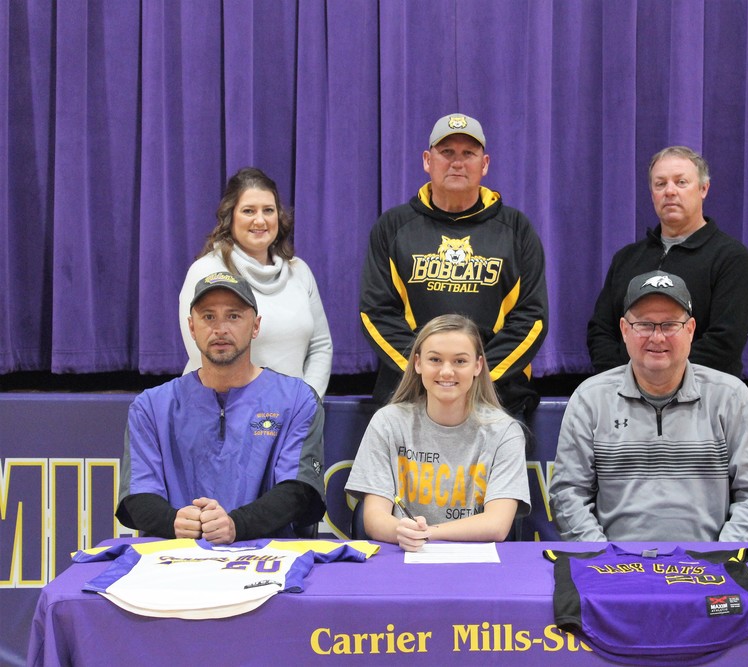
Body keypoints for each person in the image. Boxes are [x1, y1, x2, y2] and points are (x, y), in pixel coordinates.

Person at [551, 271, 748, 542]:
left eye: (670, 325)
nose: (657, 338)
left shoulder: (730, 397)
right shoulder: (590, 400)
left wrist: (719, 560)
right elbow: (567, 497)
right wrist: (606, 562)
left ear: (691, 330)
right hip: (615, 571)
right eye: (644, 325)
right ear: (624, 330)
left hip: (709, 571)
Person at [359, 113, 547, 415]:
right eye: (446, 152)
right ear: (427, 160)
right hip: (410, 394)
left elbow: (532, 319)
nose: (457, 162)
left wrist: (476, 377)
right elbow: (376, 313)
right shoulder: (393, 227)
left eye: (468, 154)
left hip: (497, 395)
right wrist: (429, 373)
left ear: (484, 164)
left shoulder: (516, 229)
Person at [118, 271, 327, 543]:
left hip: (267, 557)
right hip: (175, 561)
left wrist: (235, 525)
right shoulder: (151, 406)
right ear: (192, 328)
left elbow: (299, 490)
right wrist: (173, 521)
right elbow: (138, 494)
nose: (220, 329)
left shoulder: (298, 399)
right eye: (208, 317)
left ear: (255, 326)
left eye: (233, 316)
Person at [346, 314, 531, 551]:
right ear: (417, 363)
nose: (446, 371)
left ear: (478, 365)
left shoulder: (505, 432)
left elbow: (497, 525)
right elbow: (373, 518)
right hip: (402, 557)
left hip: (476, 565)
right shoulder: (388, 422)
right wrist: (402, 533)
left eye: (460, 361)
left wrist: (427, 534)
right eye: (435, 359)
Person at [587, 146, 748, 377]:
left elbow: (723, 343)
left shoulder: (733, 260)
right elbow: (601, 332)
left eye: (681, 182)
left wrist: (659, 381)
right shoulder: (626, 259)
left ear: (703, 189)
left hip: (702, 399)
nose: (669, 191)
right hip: (624, 395)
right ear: (652, 194)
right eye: (660, 184)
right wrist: (627, 382)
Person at [179, 167, 332, 397]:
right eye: (249, 211)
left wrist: (306, 404)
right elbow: (205, 356)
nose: (260, 220)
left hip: (294, 417)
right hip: (222, 412)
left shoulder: (299, 271)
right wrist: (255, 414)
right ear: (230, 217)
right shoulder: (205, 271)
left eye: (268, 210)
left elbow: (320, 347)